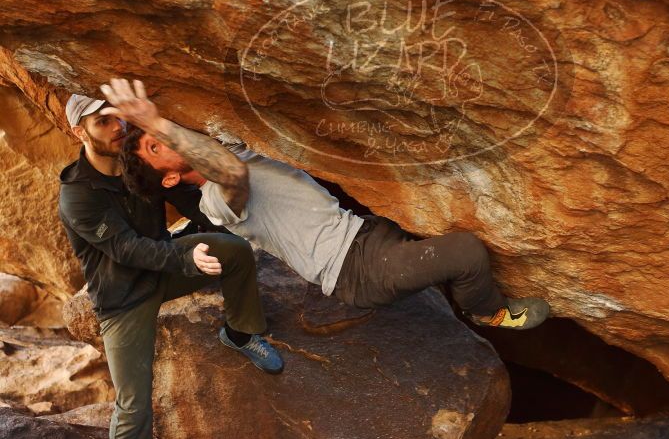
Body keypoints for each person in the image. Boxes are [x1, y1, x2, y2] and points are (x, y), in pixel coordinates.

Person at [100, 78, 551, 330]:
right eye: (156, 147)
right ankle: (485, 312)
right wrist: (153, 119)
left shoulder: (231, 148)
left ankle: (456, 291)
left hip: (367, 233)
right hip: (357, 271)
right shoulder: (217, 201)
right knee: (466, 252)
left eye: (157, 135)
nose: (161, 136)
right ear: (172, 178)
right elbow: (230, 173)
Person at [57, 93, 284, 439]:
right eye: (102, 122)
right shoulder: (77, 195)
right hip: (124, 298)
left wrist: (230, 222)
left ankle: (239, 335)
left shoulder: (139, 159)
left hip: (165, 265)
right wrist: (185, 259)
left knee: (236, 251)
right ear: (79, 132)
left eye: (118, 117)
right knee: (133, 404)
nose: (118, 127)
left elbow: (190, 203)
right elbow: (125, 248)